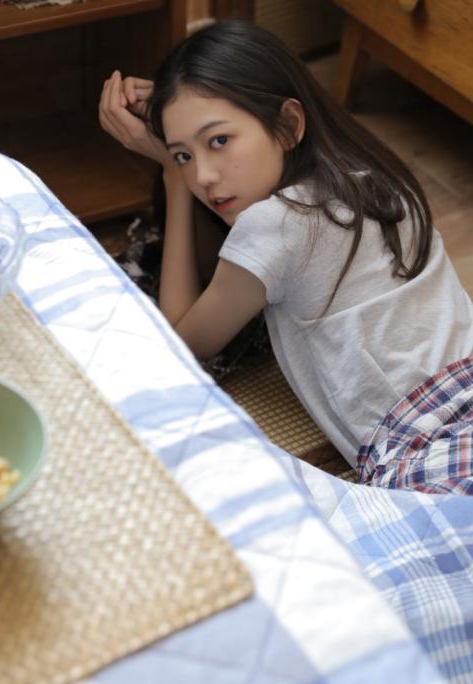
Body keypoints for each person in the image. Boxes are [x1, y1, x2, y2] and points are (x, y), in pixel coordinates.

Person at [99, 19, 473, 494]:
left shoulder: (276, 224)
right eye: (183, 156)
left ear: (288, 124)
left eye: (219, 141)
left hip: (429, 443)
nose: (205, 177)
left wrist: (171, 178)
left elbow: (183, 340)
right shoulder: (373, 174)